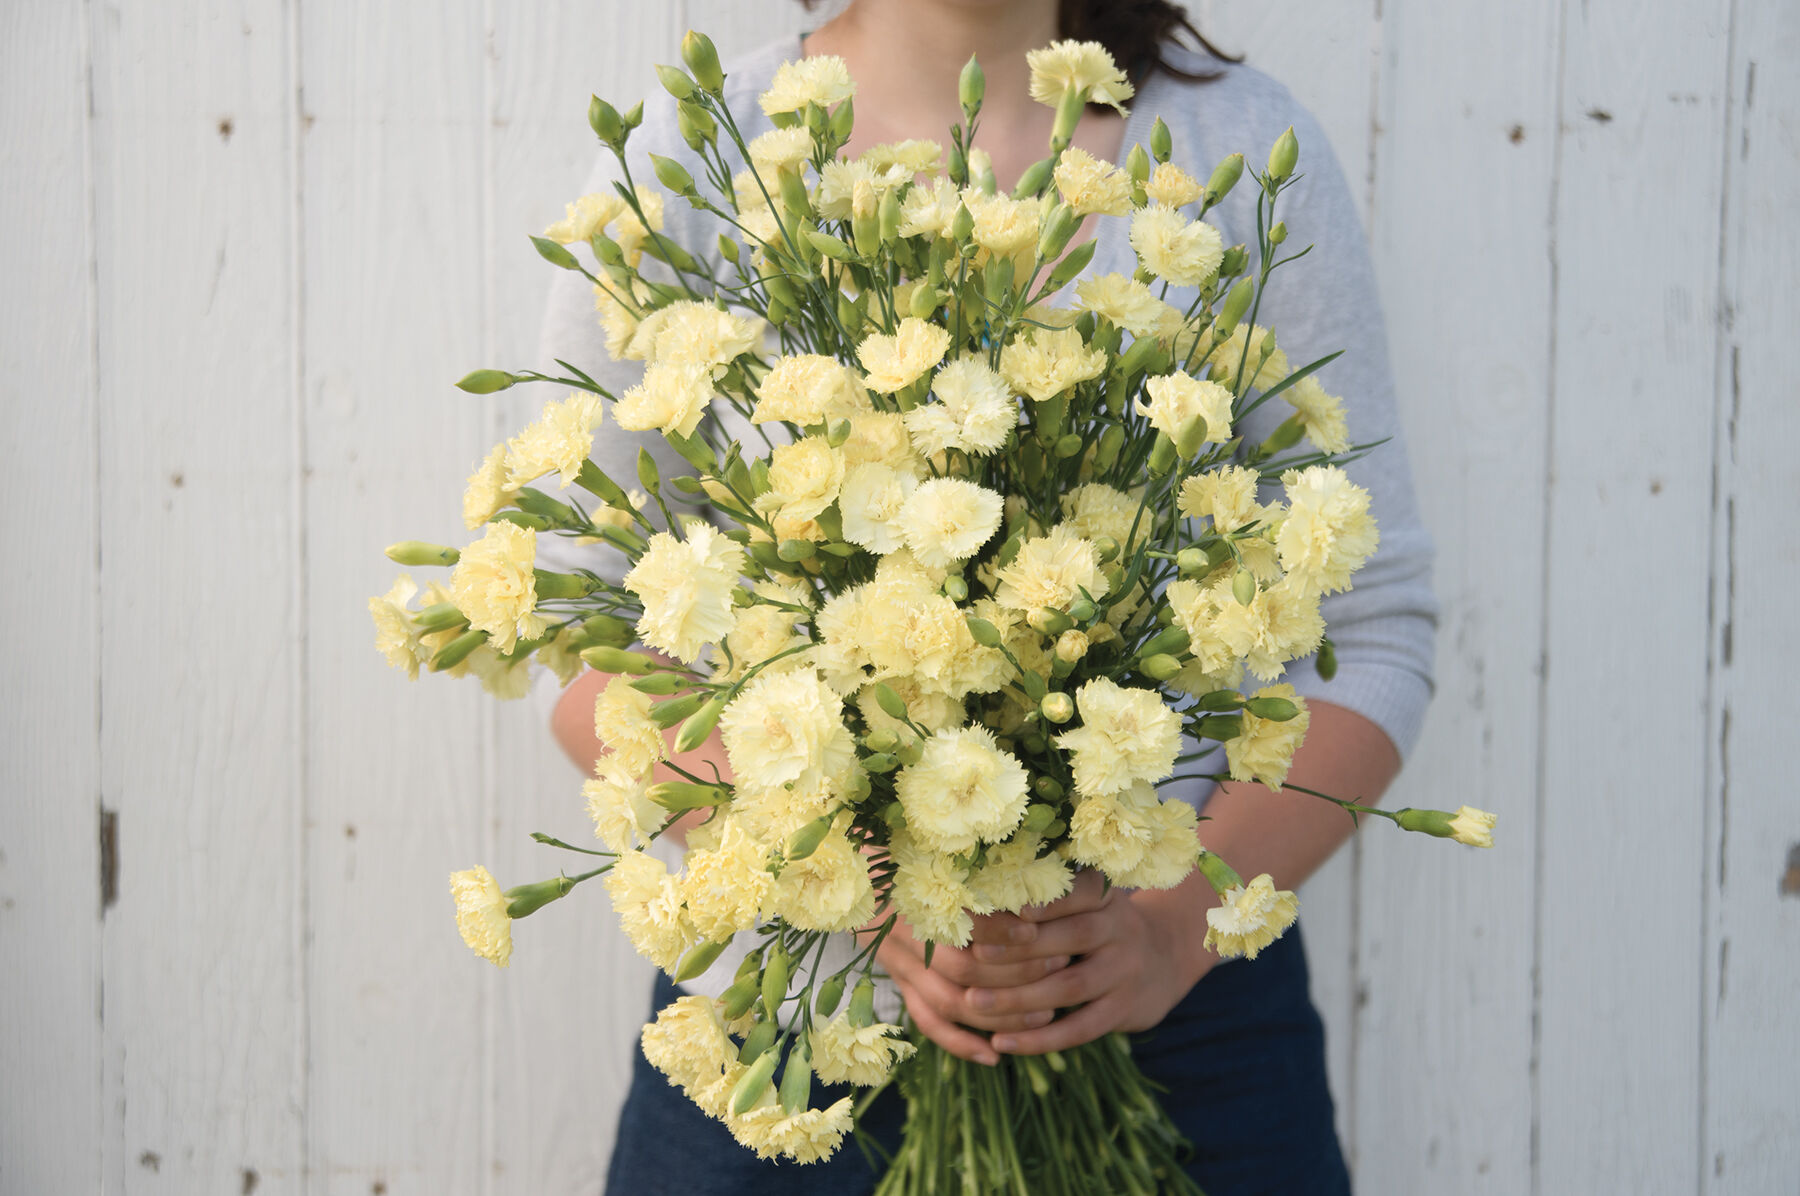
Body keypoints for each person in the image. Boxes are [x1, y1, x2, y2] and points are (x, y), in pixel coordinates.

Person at [536, 2, 1437, 1191]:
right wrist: (845, 879)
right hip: (784, 1033)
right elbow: (576, 632)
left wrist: (1165, 931)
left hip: (1181, 1020)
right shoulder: (693, 157)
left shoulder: (1238, 151)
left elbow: (1375, 626)